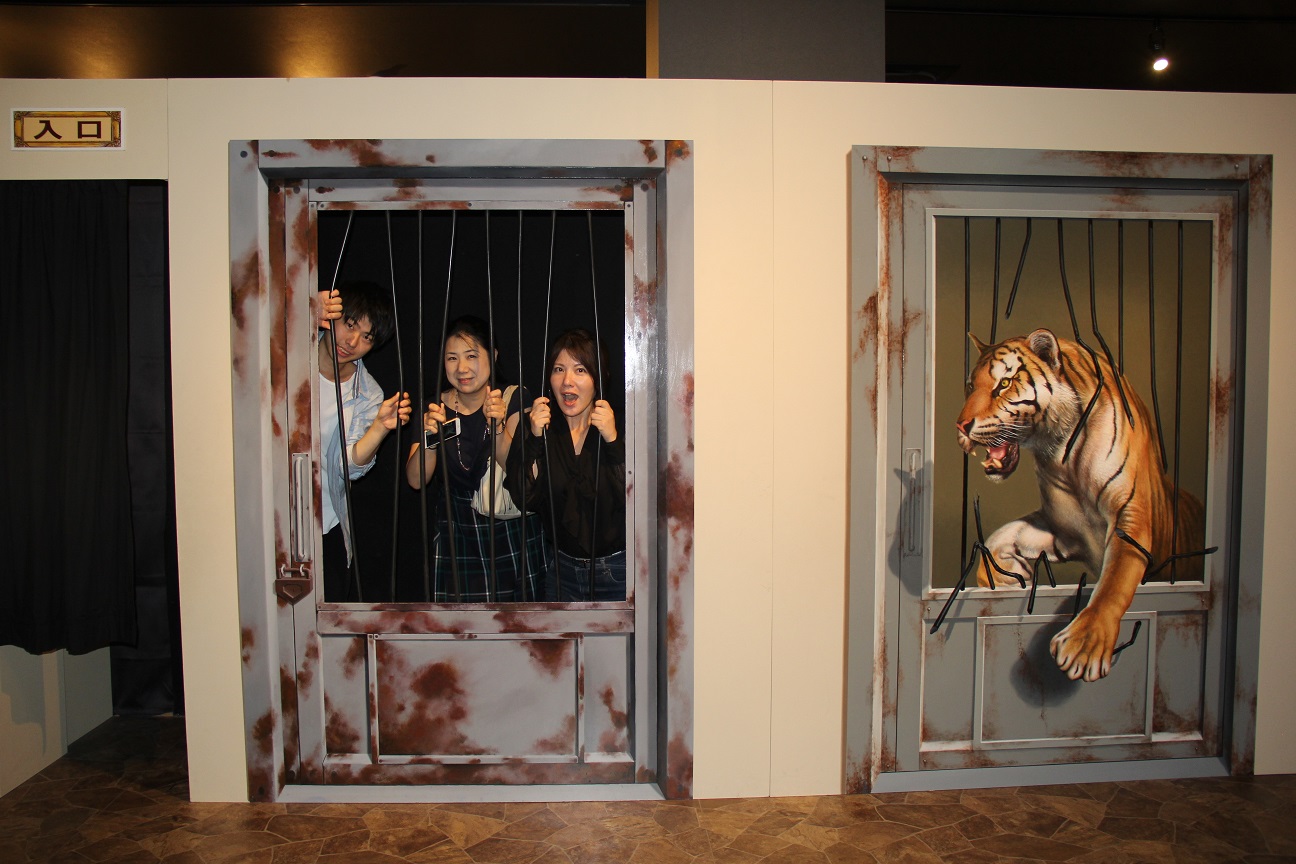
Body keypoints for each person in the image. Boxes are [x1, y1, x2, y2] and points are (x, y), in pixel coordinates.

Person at [405, 315, 546, 602]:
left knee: (519, 623)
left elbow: (519, 471)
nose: (462, 368)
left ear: (492, 355)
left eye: (471, 356)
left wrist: (498, 428)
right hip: (457, 529)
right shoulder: (433, 407)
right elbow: (417, 481)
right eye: (452, 358)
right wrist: (431, 438)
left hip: (510, 527)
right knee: (462, 625)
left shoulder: (513, 398)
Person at [510, 329, 625, 602]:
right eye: (558, 369)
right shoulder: (538, 426)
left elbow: (637, 498)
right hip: (561, 572)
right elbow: (523, 496)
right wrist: (534, 439)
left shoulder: (620, 424)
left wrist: (612, 440)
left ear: (599, 377)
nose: (567, 381)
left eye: (580, 370)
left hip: (617, 571)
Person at [317, 282, 411, 602]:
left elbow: (347, 468)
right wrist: (302, 310)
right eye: (350, 324)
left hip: (324, 523)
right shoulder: (287, 354)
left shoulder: (368, 393)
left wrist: (379, 429)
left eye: (367, 337)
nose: (353, 341)